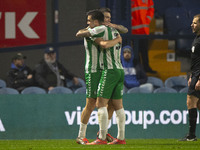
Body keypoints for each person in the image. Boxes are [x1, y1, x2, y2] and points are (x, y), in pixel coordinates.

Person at [76, 9, 125, 145]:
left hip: (105, 69)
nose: (109, 20)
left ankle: (102, 132)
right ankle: (81, 135)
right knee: (91, 103)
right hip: (93, 70)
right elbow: (101, 43)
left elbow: (124, 29)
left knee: (110, 104)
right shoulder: (95, 30)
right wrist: (117, 40)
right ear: (101, 20)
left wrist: (116, 31)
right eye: (107, 18)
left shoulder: (108, 29)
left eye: (110, 17)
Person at [179, 14, 200, 141]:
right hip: (196, 74)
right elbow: (196, 60)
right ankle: (191, 135)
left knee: (190, 101)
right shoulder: (197, 39)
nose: (192, 25)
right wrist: (192, 75)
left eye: (195, 23)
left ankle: (191, 136)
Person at [131, 0, 156, 73]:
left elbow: (151, 9)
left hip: (144, 30)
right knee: (136, 51)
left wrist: (147, 20)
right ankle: (138, 69)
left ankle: (146, 67)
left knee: (144, 50)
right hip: (134, 30)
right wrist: (132, 22)